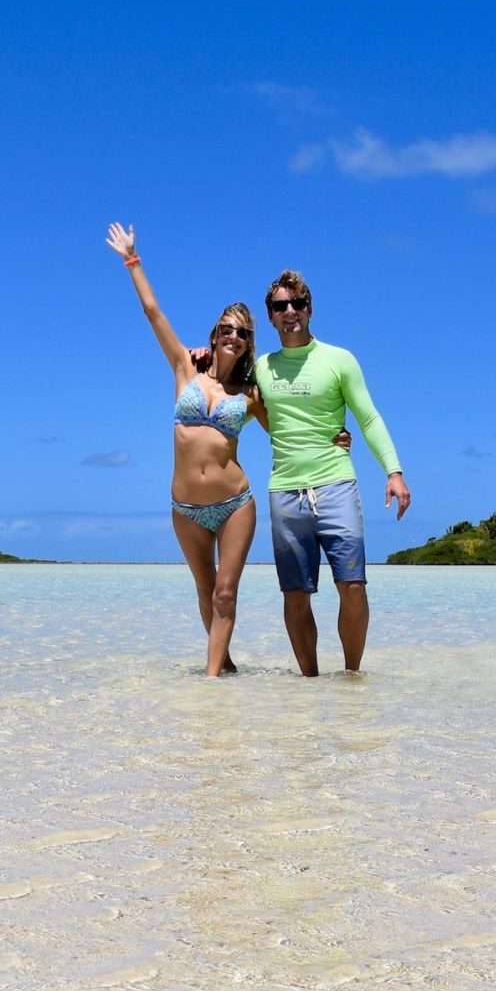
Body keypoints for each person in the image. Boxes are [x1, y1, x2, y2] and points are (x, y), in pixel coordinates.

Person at [104, 224, 348, 677]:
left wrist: (335, 435)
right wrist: (132, 259)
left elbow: (291, 428)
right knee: (204, 589)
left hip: (235, 504)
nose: (233, 336)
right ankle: (226, 665)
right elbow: (153, 312)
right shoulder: (184, 368)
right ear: (214, 335)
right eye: (226, 329)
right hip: (185, 507)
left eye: (242, 332)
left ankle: (211, 685)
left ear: (248, 342)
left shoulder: (252, 394)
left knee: (225, 593)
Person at [253, 268, 410, 675]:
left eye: (297, 303)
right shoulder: (260, 367)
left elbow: (368, 418)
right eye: (280, 306)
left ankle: (352, 677)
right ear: (270, 315)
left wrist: (393, 471)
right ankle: (309, 683)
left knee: (353, 586)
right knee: (295, 594)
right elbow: (222, 383)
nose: (290, 311)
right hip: (285, 491)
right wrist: (201, 354)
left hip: (336, 484)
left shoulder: (339, 359)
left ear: (310, 309)